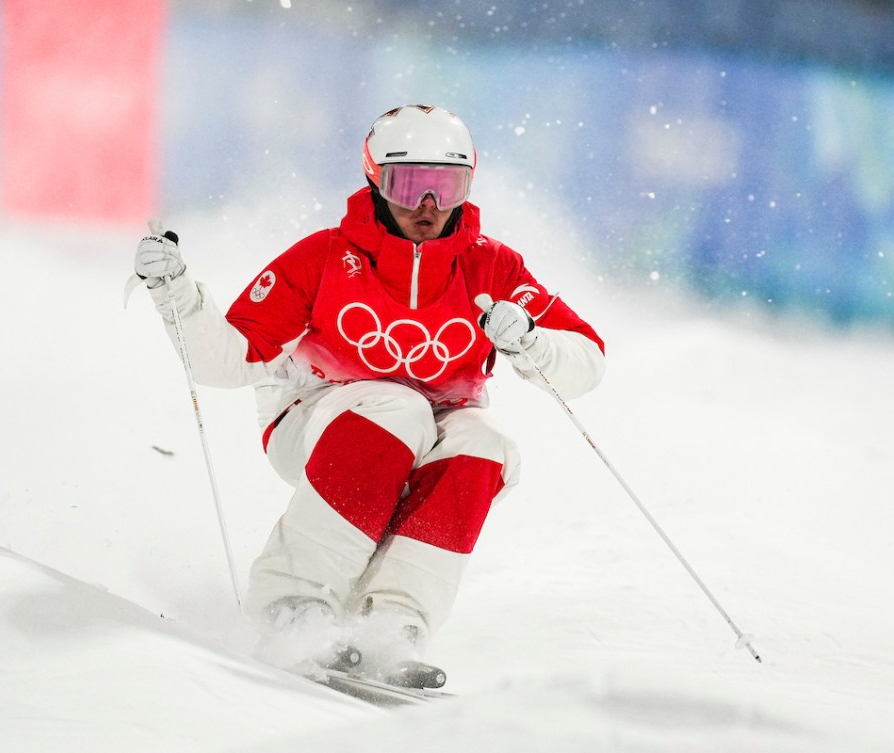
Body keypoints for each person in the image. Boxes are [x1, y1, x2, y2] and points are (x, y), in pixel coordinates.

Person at [132, 104, 605, 684]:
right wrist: (176, 293)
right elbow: (228, 359)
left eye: (446, 186)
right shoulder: (326, 256)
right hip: (315, 420)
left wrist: (534, 343)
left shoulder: (491, 266)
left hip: (435, 427)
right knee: (397, 406)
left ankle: (393, 624)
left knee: (486, 444)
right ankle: (294, 602)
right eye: (410, 185)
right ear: (376, 180)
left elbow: (588, 361)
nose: (428, 207)